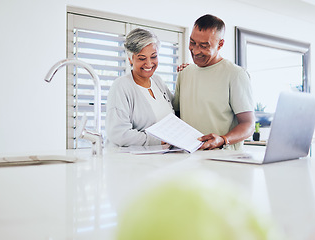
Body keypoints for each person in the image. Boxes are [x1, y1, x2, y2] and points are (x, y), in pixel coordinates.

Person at [173, 14, 255, 150]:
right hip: (189, 158)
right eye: (192, 42)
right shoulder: (184, 73)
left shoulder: (236, 75)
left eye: (204, 46)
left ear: (220, 44)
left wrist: (223, 140)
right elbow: (177, 115)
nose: (195, 50)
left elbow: (248, 125)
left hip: (223, 160)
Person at [106, 28, 174, 147]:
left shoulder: (158, 81)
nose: (149, 64)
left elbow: (177, 111)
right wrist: (158, 140)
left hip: (162, 159)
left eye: (153, 56)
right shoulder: (121, 86)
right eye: (142, 58)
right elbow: (119, 134)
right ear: (130, 59)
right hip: (132, 162)